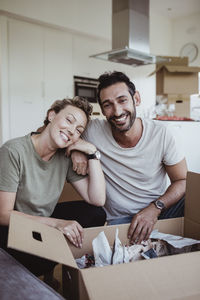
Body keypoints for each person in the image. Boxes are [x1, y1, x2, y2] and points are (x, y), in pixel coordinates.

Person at [70, 71, 187, 245]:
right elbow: (53, 131)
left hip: (161, 211)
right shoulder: (92, 130)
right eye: (108, 105)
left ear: (136, 99)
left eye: (122, 100)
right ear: (101, 110)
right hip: (121, 220)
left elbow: (183, 180)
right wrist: (75, 147)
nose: (117, 111)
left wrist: (155, 208)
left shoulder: (161, 134)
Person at [0, 96, 106, 278]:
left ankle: (48, 259)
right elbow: (3, 214)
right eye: (68, 120)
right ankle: (41, 264)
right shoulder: (13, 151)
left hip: (43, 222)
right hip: (12, 228)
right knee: (35, 258)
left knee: (96, 214)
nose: (72, 130)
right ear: (51, 116)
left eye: (79, 130)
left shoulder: (65, 157)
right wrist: (57, 224)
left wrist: (91, 152)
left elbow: (97, 199)